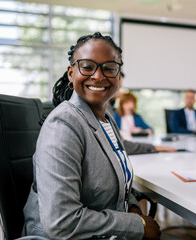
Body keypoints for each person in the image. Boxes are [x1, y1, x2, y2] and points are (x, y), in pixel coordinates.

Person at [23, 32, 161, 240]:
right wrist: (137, 225)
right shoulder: (63, 125)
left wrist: (133, 208)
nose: (98, 76)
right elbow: (61, 222)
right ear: (71, 73)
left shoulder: (106, 120)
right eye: (87, 66)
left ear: (118, 76)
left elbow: (118, 179)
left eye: (109, 68)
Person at [107, 72, 176, 155]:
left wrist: (142, 131)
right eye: (119, 88)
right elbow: (118, 142)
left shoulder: (137, 117)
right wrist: (154, 147)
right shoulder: (113, 114)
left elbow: (150, 130)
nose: (120, 92)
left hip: (133, 145)